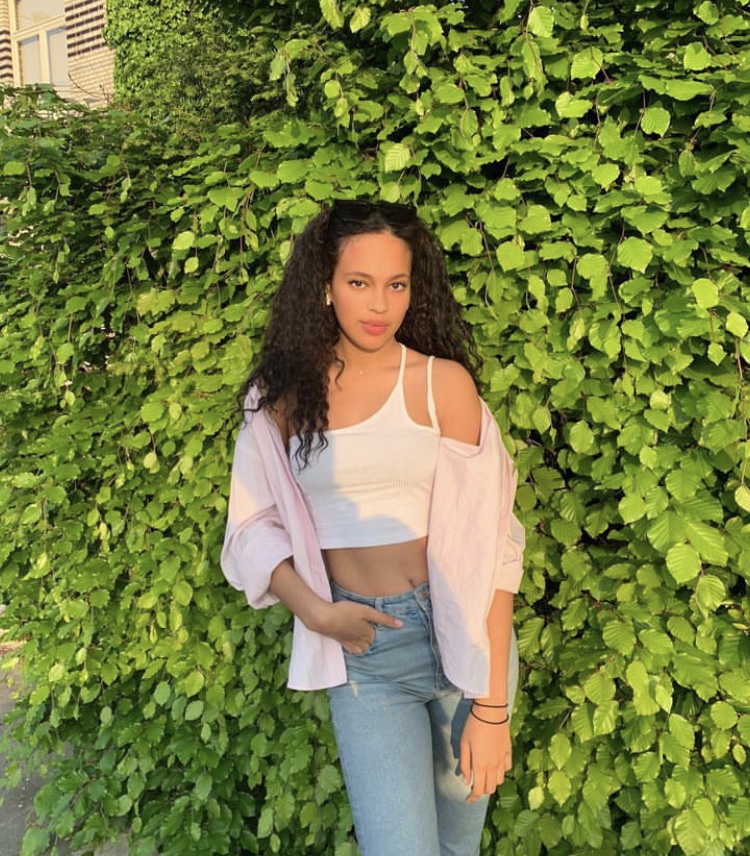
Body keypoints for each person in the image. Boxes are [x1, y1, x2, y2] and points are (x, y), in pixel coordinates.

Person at [221, 199, 525, 856]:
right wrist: (317, 613)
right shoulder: (280, 397)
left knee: (457, 850)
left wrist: (493, 707)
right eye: (360, 282)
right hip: (366, 652)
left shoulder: (443, 386)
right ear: (326, 286)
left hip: (465, 642)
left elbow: (495, 549)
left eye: (397, 284)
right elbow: (250, 525)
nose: (380, 305)